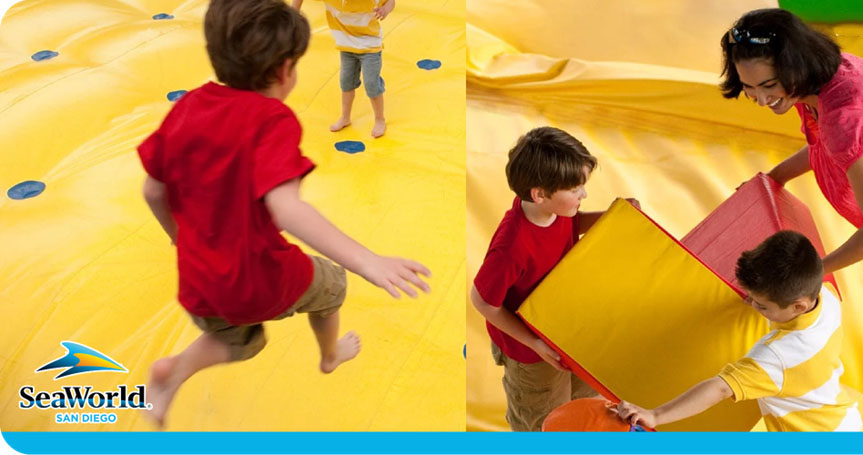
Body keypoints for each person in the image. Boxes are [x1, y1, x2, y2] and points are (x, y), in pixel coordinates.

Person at [137, 0, 429, 428]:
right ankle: (330, 357)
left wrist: (179, 237)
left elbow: (152, 189)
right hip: (255, 277)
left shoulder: (188, 106)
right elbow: (286, 207)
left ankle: (173, 370)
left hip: (198, 276)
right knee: (333, 285)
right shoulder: (272, 120)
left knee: (239, 338)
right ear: (285, 71)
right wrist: (368, 261)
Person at [721, 8, 863, 415]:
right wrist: (775, 178)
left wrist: (814, 271)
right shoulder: (814, 84)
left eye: (769, 85)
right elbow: (822, 146)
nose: (763, 99)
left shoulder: (847, 112)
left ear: (794, 64)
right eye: (749, 87)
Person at [616, 231, 863, 431]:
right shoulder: (825, 297)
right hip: (846, 422)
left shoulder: (776, 357)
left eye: (762, 305)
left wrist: (656, 415)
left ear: (799, 305)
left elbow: (720, 387)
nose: (753, 305)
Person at [470, 126, 630, 431]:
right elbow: (483, 301)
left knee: (584, 404)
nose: (584, 194)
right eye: (575, 189)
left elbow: (568, 228)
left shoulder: (556, 212)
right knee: (542, 419)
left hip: (565, 328)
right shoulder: (511, 246)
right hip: (532, 353)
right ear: (540, 194)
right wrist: (534, 343)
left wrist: (610, 215)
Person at [293, 0, 395, 137]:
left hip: (370, 46)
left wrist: (385, 10)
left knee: (372, 84)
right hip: (346, 46)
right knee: (346, 83)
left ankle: (379, 119)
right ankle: (345, 117)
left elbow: (390, 1)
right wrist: (294, 13)